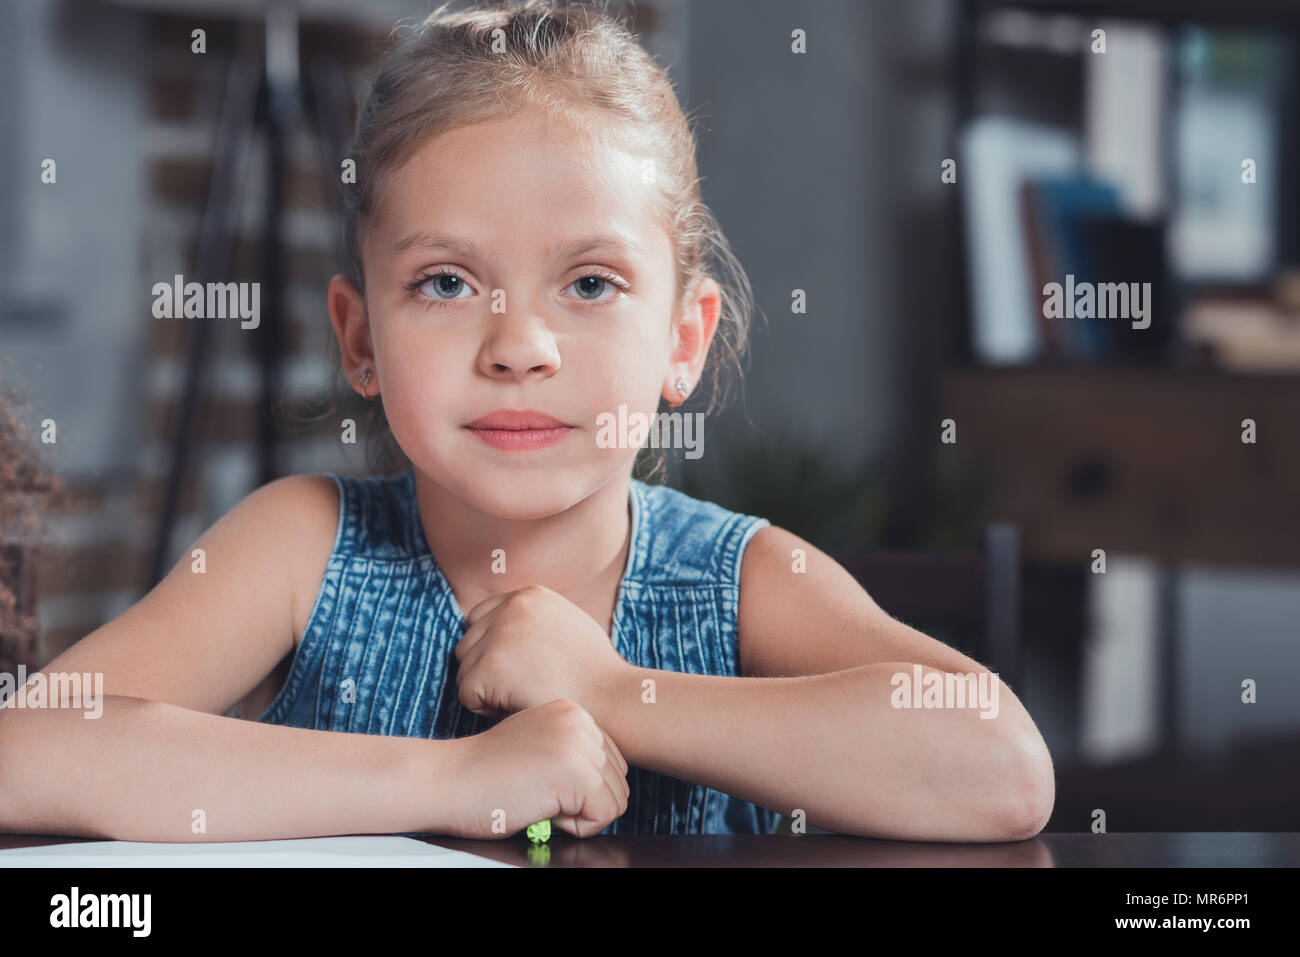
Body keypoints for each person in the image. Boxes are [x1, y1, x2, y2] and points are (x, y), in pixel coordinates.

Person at [0, 0, 1054, 843]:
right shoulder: (302, 547)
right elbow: (26, 754)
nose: (518, 346)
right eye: (448, 283)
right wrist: (455, 777)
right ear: (359, 339)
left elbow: (1000, 769)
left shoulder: (739, 581)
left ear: (683, 340)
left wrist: (613, 690)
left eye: (590, 285)